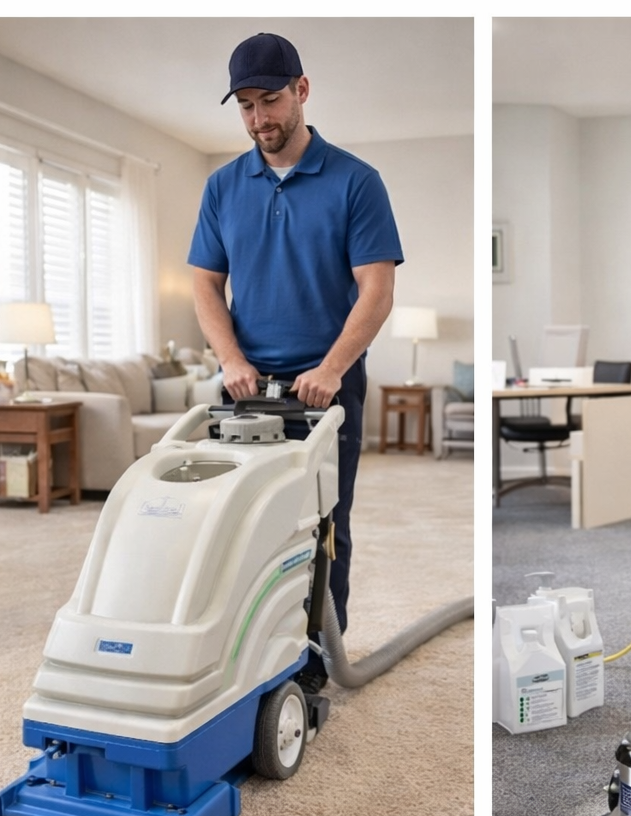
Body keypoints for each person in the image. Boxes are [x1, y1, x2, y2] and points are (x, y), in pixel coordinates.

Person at [188, 32, 403, 694]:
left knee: (322, 526)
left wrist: (333, 368)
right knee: (238, 521)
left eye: (270, 100)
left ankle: (310, 662)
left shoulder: (356, 182)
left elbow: (377, 289)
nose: (259, 119)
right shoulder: (224, 186)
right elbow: (204, 283)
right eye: (246, 106)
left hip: (326, 387)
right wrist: (229, 359)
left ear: (302, 90)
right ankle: (243, 653)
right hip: (245, 387)